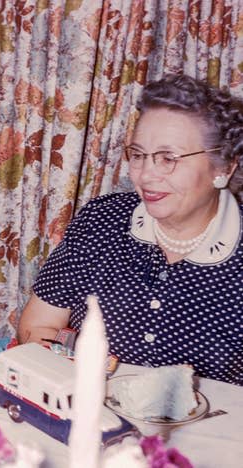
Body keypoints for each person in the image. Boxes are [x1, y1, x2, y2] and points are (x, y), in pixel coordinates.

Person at [18, 74, 243, 385]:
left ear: (223, 167)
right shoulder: (102, 220)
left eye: (168, 159)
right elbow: (38, 326)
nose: (146, 175)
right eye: (138, 155)